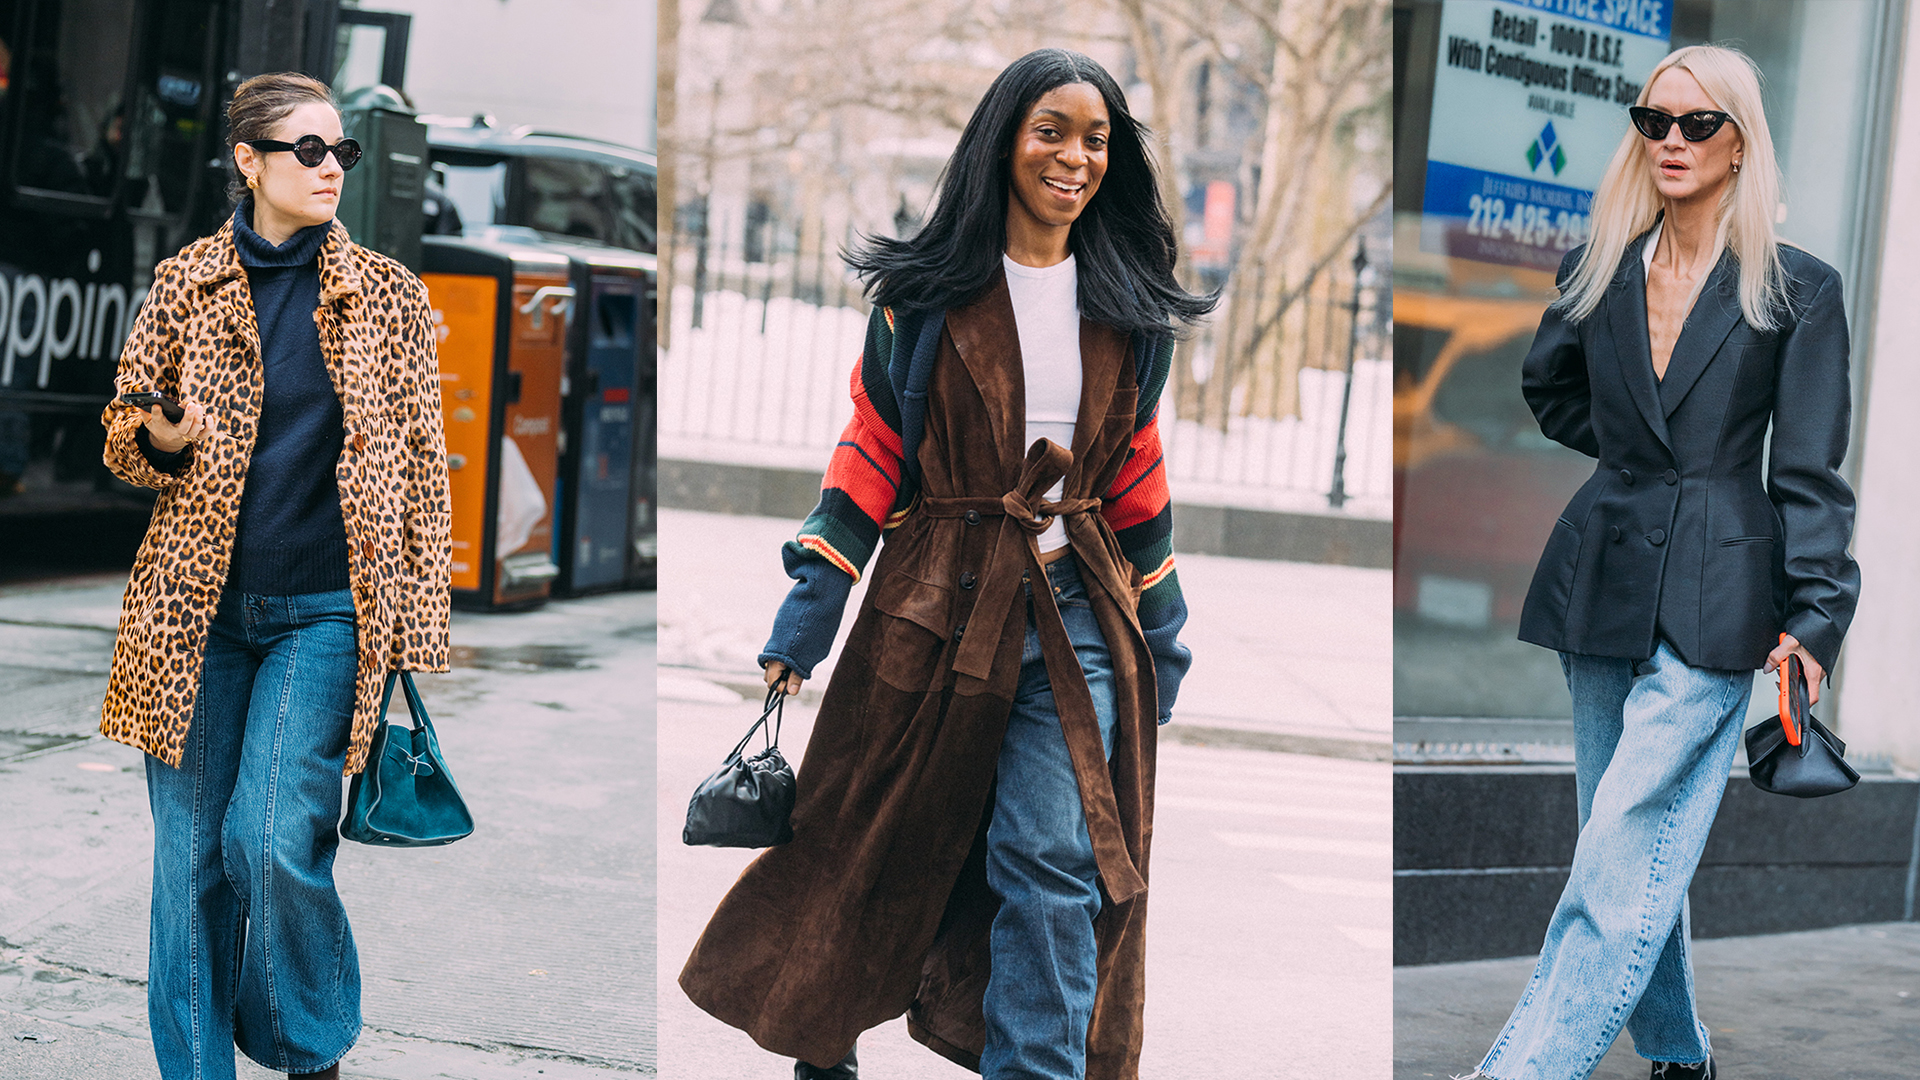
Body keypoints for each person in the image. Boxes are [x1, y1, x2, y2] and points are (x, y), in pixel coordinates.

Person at [679, 47, 1213, 1080]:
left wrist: (1165, 633)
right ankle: (820, 1040)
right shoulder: (920, 302)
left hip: (1074, 619)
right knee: (869, 846)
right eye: (1050, 131)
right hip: (933, 606)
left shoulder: (1130, 312)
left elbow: (1134, 476)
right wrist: (806, 617)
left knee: (1054, 859)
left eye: (1096, 139)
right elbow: (872, 454)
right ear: (1002, 141)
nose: (1075, 157)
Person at [1464, 45, 1859, 1080]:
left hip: (1722, 602)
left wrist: (1815, 620)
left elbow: (1812, 472)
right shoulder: (1603, 262)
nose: (1671, 141)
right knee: (1622, 845)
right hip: (1603, 578)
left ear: (1740, 143)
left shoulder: (1799, 288)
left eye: (1697, 124)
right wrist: (1647, 463)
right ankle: (1681, 1055)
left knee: (1615, 855)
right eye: (1654, 121)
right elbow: (1551, 390)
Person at [97, 71, 452, 1080]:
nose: (331, 167)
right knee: (191, 869)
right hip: (194, 615)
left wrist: (413, 636)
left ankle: (305, 1043)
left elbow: (424, 466)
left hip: (327, 615)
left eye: (341, 151)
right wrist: (159, 435)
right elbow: (124, 431)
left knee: (266, 842)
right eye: (307, 150)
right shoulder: (185, 282)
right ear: (248, 161)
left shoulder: (387, 296)